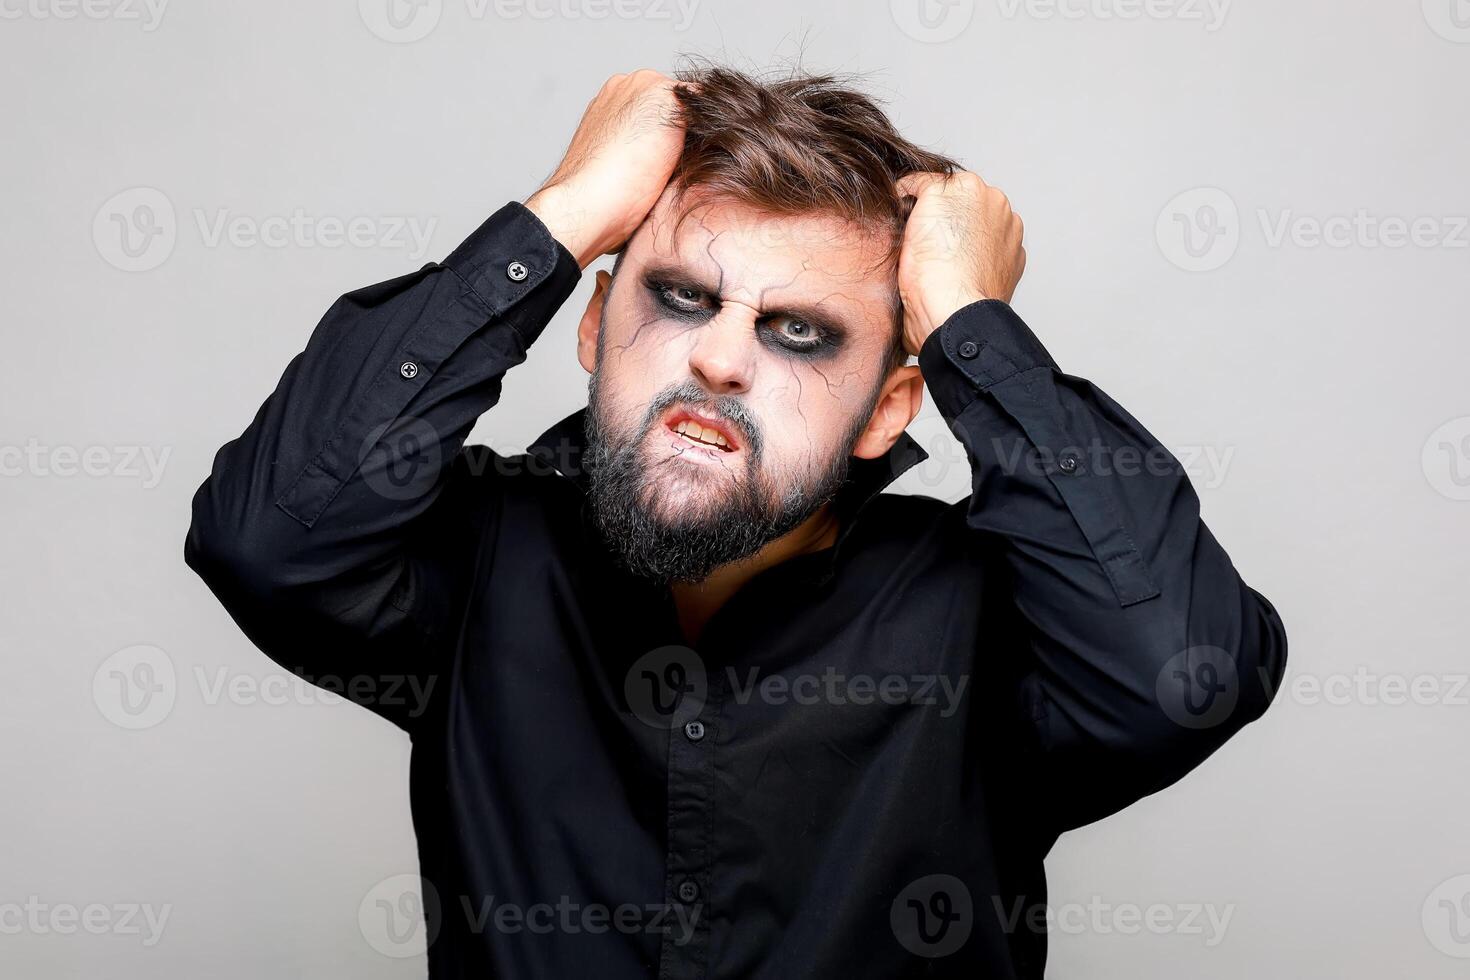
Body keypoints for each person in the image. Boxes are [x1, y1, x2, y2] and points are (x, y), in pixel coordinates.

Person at [185, 64, 1287, 978]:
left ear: (887, 410)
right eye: (677, 297)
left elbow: (1179, 675)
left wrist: (967, 319)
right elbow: (269, 540)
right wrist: (562, 213)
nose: (718, 356)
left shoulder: (990, 617)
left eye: (800, 332)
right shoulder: (483, 555)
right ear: (592, 327)